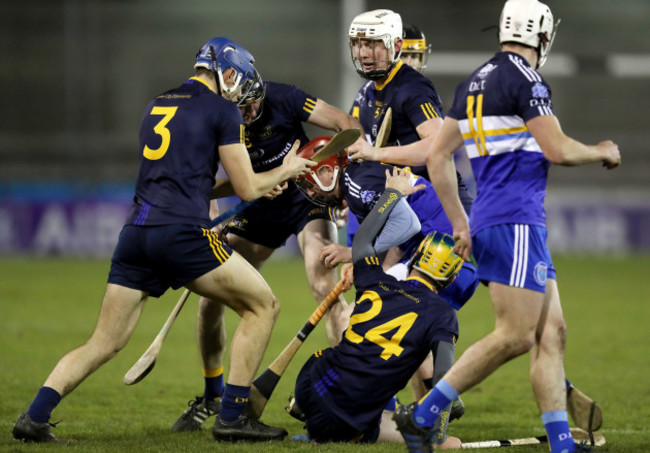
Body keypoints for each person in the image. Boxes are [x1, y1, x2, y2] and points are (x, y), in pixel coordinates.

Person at [11, 37, 315, 444]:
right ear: (227, 73)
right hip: (181, 235)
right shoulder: (223, 110)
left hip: (136, 233)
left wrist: (260, 185)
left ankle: (34, 416)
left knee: (104, 341)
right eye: (239, 81)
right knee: (263, 307)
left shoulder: (156, 104)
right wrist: (285, 169)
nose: (241, 92)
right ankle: (232, 417)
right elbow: (245, 188)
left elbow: (196, 182)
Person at [396, 1, 620, 452]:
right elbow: (556, 149)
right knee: (516, 335)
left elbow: (437, 157)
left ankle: (562, 444)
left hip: (501, 220)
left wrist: (461, 222)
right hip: (514, 219)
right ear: (541, 34)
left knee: (550, 332)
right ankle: (423, 416)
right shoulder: (527, 78)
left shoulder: (472, 82)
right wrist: (601, 150)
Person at [170, 79, 360, 431]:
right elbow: (207, 182)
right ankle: (214, 394)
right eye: (240, 108)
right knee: (210, 300)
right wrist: (217, 209)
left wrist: (348, 184)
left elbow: (345, 124)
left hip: (309, 199)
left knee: (326, 288)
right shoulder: (215, 120)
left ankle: (354, 394)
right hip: (260, 206)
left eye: (254, 103)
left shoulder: (285, 96)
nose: (250, 112)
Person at [291, 166, 463, 448]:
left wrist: (392, 194)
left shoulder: (374, 279)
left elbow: (362, 241)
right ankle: (333, 430)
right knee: (449, 443)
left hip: (311, 384)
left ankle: (313, 425)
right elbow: (444, 377)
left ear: (415, 256)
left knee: (335, 363)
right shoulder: (442, 316)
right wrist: (440, 435)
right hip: (349, 420)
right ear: (452, 277)